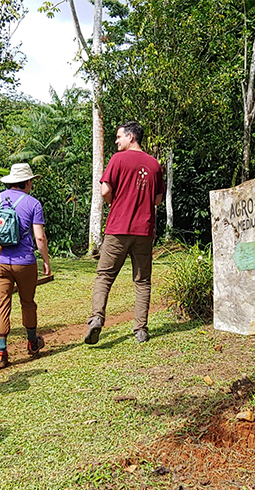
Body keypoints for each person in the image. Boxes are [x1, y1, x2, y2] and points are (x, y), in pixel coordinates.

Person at [84, 120, 164, 345]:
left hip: (118, 228)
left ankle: (97, 319)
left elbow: (105, 190)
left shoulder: (117, 159)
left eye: (119, 137)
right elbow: (157, 199)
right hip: (144, 231)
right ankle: (140, 330)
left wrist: (115, 204)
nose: (116, 141)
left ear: (131, 137)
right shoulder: (155, 164)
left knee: (105, 276)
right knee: (142, 281)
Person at [0, 163, 51, 369]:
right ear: (28, 182)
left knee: (1, 305)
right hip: (25, 262)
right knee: (28, 302)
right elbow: (39, 237)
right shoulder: (33, 203)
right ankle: (32, 343)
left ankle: (1, 353)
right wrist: (46, 261)